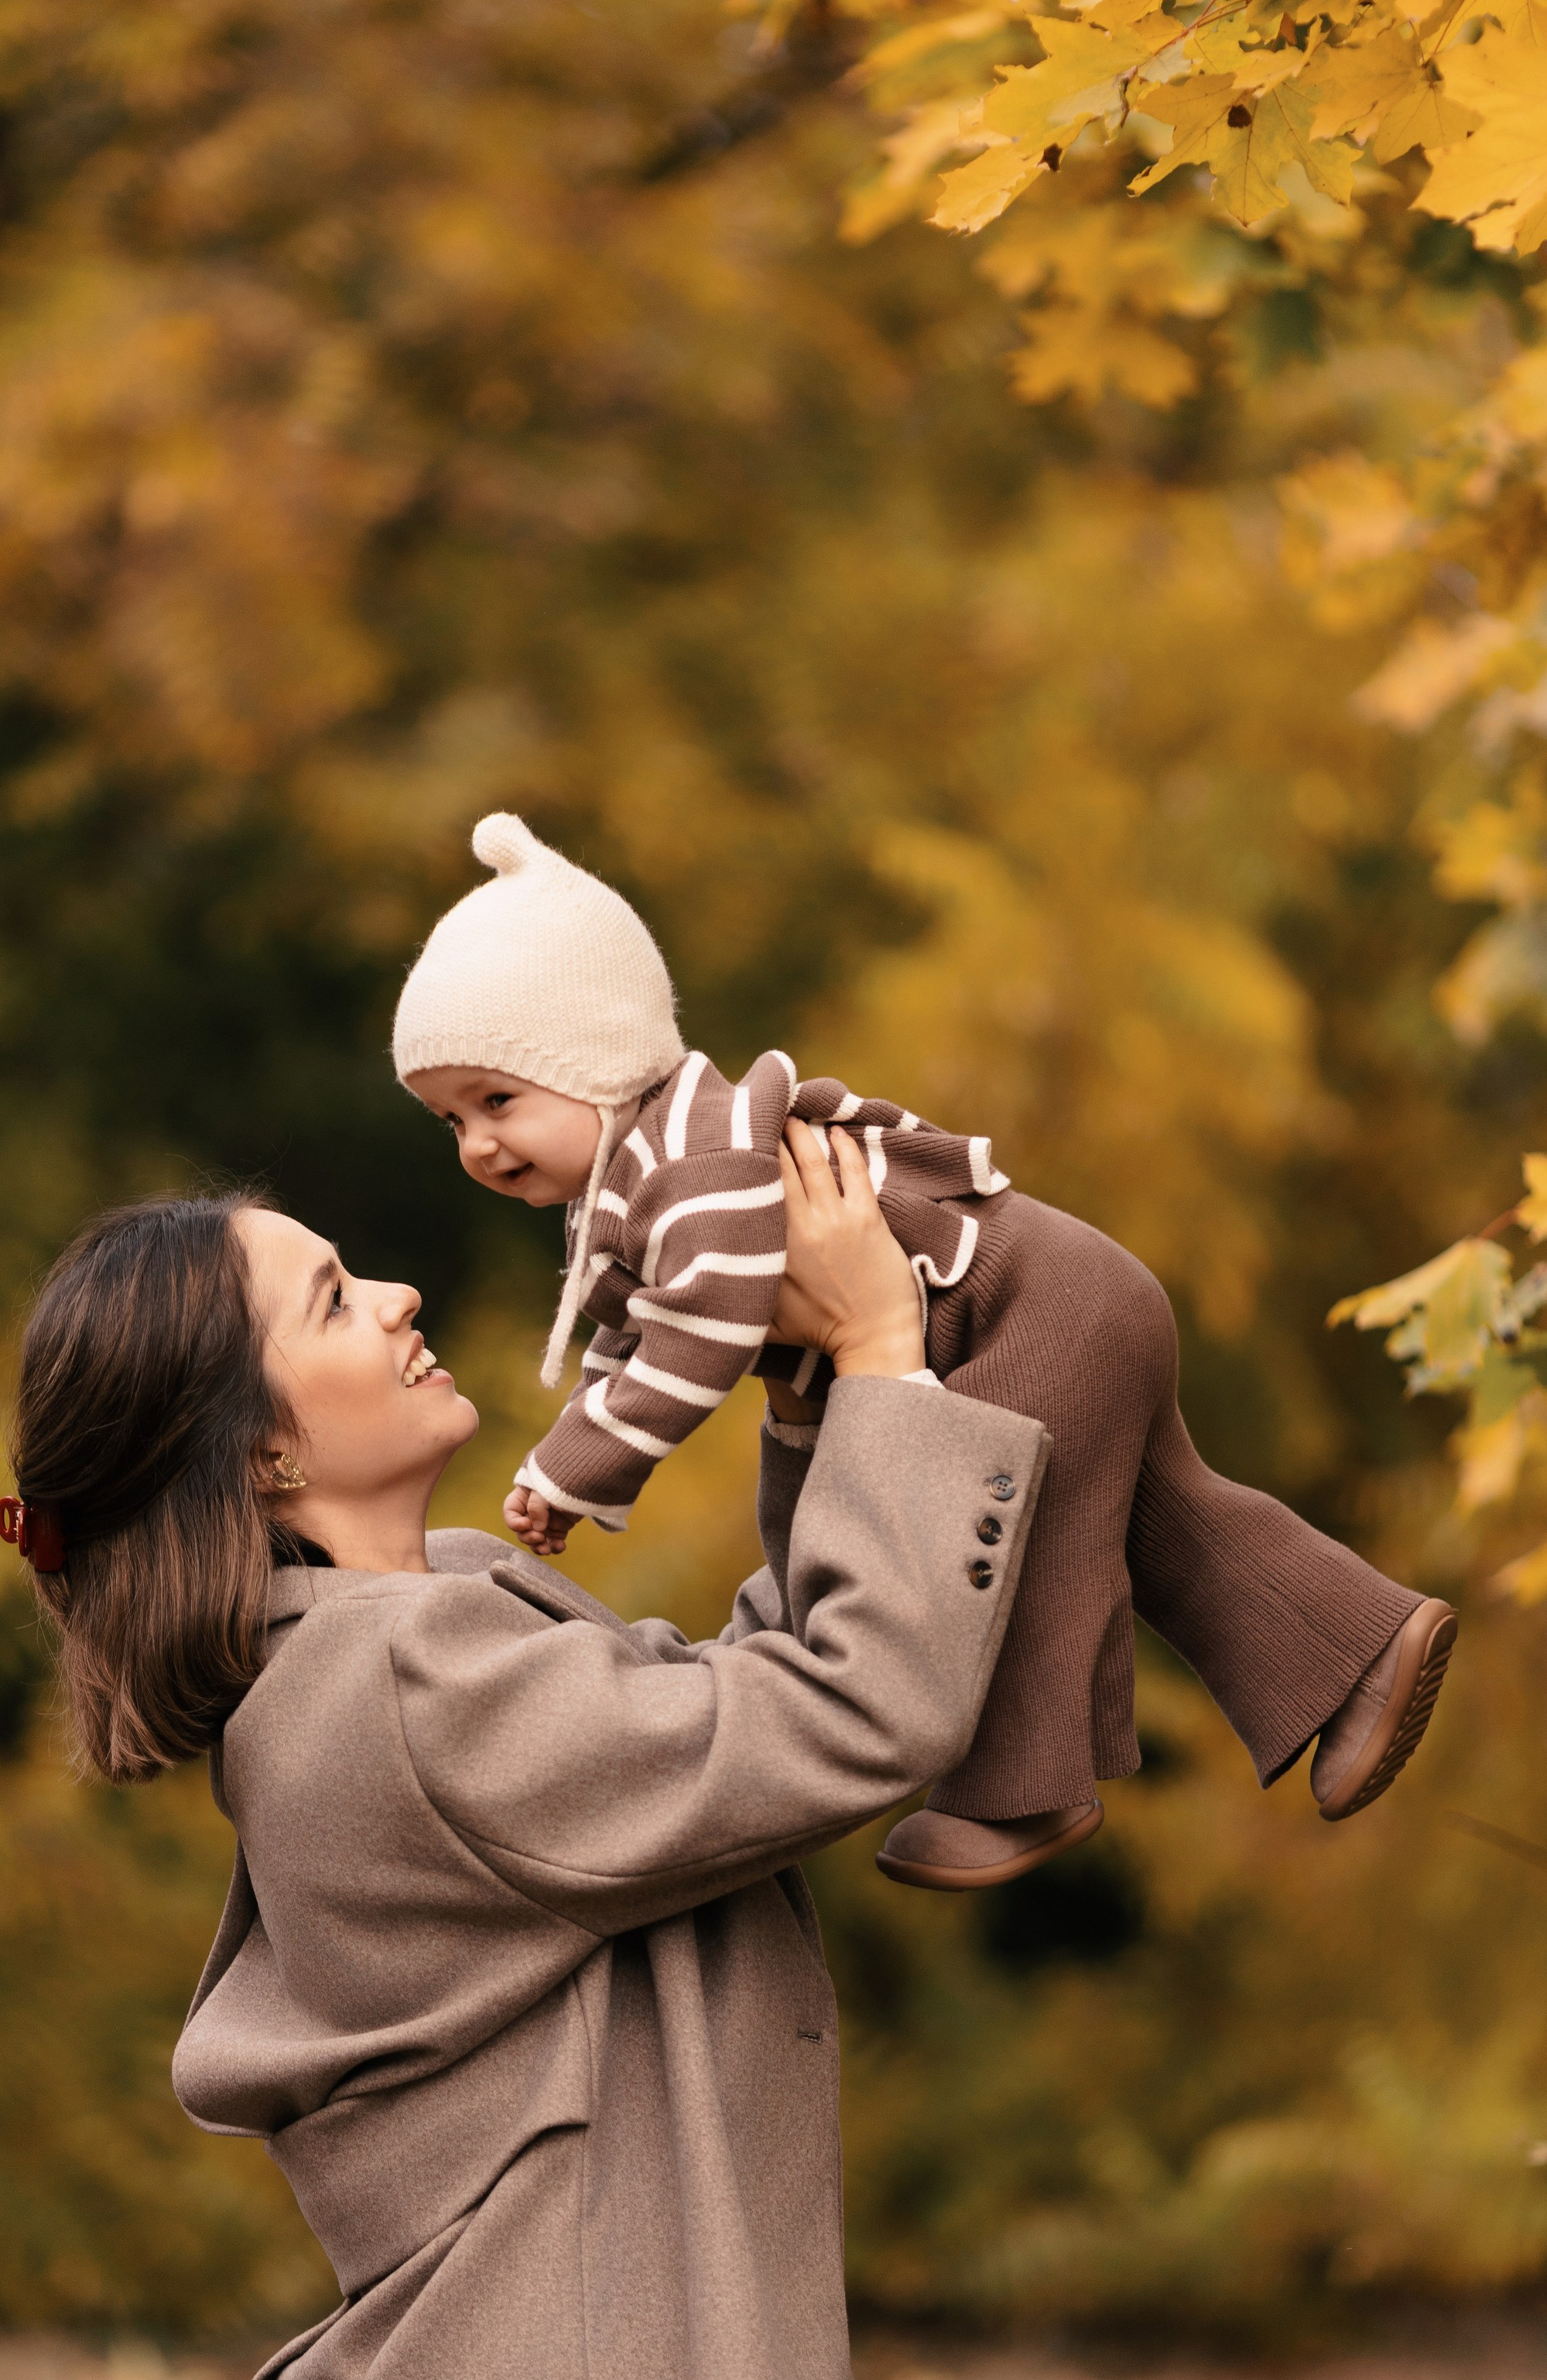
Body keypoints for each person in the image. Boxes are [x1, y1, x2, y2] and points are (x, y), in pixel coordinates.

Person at [0, 1126, 1049, 2380]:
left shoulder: (436, 1628)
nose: (404, 1294)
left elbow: (739, 1706)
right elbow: (846, 1709)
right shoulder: (400, 1685)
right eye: (340, 1300)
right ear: (261, 1459)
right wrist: (885, 1352)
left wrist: (814, 1391)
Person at [395, 813, 1458, 1896]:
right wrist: (568, 1459)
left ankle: (1022, 1793)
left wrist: (580, 1468)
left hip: (1028, 1313)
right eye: (449, 1120)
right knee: (1163, 1516)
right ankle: (1357, 1650)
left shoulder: (690, 1157)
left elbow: (702, 1329)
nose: (479, 1143)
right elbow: (627, 1336)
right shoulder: (626, 1186)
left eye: (498, 1101)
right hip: (1047, 1300)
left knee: (1025, 1540)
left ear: (598, 1059)